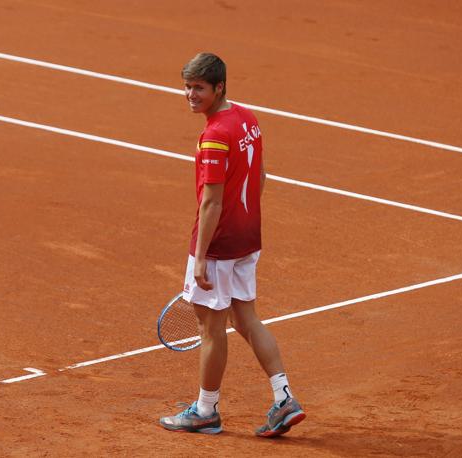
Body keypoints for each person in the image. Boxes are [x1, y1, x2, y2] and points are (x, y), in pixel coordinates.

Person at [159, 53, 305, 437]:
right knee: (245, 318)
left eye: (199, 88)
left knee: (211, 328)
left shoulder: (214, 136)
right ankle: (284, 397)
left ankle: (206, 411)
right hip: (247, 236)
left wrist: (202, 256)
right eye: (187, 87)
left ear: (219, 87)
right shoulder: (247, 118)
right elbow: (261, 175)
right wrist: (245, 222)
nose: (190, 94)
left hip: (220, 244)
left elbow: (211, 201)